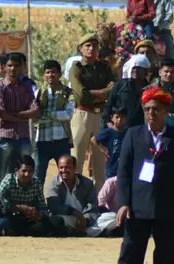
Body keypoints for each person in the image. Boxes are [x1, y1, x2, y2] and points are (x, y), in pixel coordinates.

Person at [115, 87, 174, 264]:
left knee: (166, 258)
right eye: (148, 109)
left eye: (156, 109)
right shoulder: (133, 134)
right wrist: (123, 203)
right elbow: (123, 172)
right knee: (130, 255)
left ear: (166, 111)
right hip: (137, 208)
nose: (151, 113)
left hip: (168, 208)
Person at [69, 34, 116, 184]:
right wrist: (103, 92)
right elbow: (82, 95)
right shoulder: (76, 69)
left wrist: (94, 93)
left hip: (100, 115)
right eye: (87, 46)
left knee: (100, 162)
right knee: (77, 158)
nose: (91, 49)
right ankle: (75, 196)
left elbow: (113, 90)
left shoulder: (104, 67)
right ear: (80, 48)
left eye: (94, 46)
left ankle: (99, 201)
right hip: (82, 114)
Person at [0, 52, 40, 187]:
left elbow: (35, 110)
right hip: (5, 137)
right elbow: (1, 112)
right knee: (0, 174)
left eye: (16, 66)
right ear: (5, 67)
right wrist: (23, 116)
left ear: (21, 68)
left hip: (23, 137)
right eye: (10, 65)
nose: (13, 69)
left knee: (26, 173)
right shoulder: (0, 87)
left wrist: (13, 115)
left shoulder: (27, 87)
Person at [33, 60, 74, 187]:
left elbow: (68, 114)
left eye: (54, 72)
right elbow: (35, 117)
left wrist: (48, 113)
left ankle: (66, 203)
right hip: (42, 141)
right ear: (44, 75)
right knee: (38, 176)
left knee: (66, 174)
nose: (51, 75)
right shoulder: (38, 93)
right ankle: (38, 204)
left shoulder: (68, 92)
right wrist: (57, 115)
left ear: (60, 74)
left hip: (61, 141)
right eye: (47, 72)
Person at [0, 155, 57, 237]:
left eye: (30, 171)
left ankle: (24, 231)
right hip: (12, 217)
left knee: (57, 221)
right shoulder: (8, 180)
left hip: (30, 220)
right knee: (3, 222)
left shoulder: (36, 183)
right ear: (16, 170)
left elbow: (43, 206)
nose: (27, 174)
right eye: (24, 171)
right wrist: (20, 207)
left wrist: (39, 214)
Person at [47, 154, 103, 237]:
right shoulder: (54, 183)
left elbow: (92, 206)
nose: (64, 170)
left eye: (67, 167)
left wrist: (85, 220)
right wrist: (74, 212)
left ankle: (79, 231)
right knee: (56, 220)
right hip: (67, 218)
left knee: (111, 217)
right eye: (61, 168)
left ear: (74, 168)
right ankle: (86, 232)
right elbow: (54, 206)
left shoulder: (87, 183)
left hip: (86, 220)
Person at [103, 54, 150, 128]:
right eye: (133, 68)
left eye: (139, 68)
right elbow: (108, 105)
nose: (135, 70)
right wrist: (109, 123)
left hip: (142, 129)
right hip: (121, 129)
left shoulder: (150, 88)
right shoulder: (121, 85)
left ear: (146, 71)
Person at [92, 107, 129, 187]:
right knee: (110, 189)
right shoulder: (109, 132)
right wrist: (103, 150)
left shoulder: (128, 132)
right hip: (111, 167)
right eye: (117, 117)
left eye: (122, 117)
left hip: (124, 167)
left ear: (126, 119)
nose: (119, 120)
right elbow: (93, 139)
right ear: (112, 118)